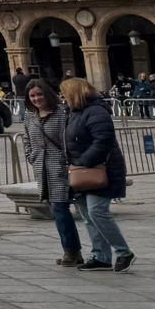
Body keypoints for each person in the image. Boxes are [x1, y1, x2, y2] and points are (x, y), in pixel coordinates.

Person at [58, 77, 133, 272]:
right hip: (81, 170)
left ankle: (124, 252)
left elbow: (103, 140)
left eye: (65, 92)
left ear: (75, 93)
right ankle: (101, 255)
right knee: (87, 214)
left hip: (101, 168)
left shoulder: (96, 111)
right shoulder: (73, 113)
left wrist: (83, 161)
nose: (62, 97)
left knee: (97, 211)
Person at [21, 80, 80, 267]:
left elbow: (69, 138)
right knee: (58, 210)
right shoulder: (30, 115)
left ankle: (71, 251)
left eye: (39, 94)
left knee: (61, 210)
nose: (37, 98)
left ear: (47, 94)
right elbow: (26, 137)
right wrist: (30, 155)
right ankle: (72, 251)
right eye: (32, 96)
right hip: (41, 168)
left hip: (60, 167)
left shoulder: (61, 113)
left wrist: (67, 160)